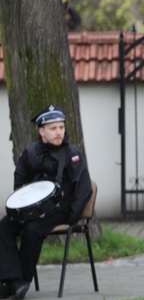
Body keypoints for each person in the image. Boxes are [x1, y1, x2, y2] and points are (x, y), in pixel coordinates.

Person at [0, 105, 92, 300]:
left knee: (32, 231)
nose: (59, 132)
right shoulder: (30, 152)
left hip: (59, 210)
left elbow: (84, 190)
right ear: (41, 131)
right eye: (53, 128)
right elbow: (20, 183)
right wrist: (23, 207)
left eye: (61, 127)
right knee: (4, 227)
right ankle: (11, 279)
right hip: (30, 209)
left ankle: (22, 281)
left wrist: (71, 217)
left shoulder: (72, 154)